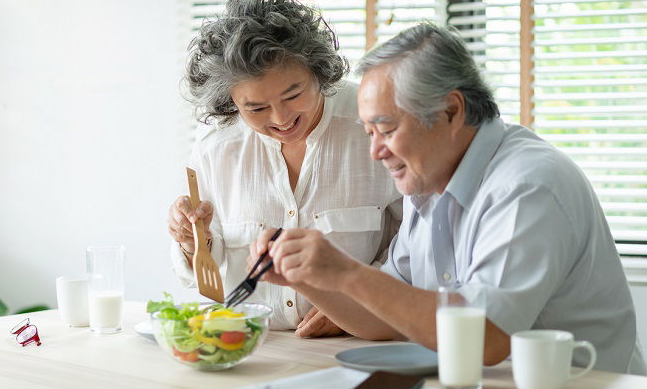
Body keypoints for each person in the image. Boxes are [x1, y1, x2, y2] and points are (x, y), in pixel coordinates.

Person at [252, 22, 647, 374]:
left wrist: (347, 272)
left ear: (451, 111)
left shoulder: (527, 186)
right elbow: (384, 318)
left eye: (386, 129)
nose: (375, 152)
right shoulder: (429, 185)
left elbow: (485, 337)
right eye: (369, 133)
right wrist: (306, 277)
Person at [167, 0, 402, 335]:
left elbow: (415, 247)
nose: (281, 118)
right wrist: (191, 243)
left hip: (359, 345)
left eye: (293, 95)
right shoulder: (215, 150)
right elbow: (208, 275)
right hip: (251, 349)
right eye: (257, 108)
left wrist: (359, 307)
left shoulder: (375, 126)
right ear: (230, 102)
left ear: (318, 72)